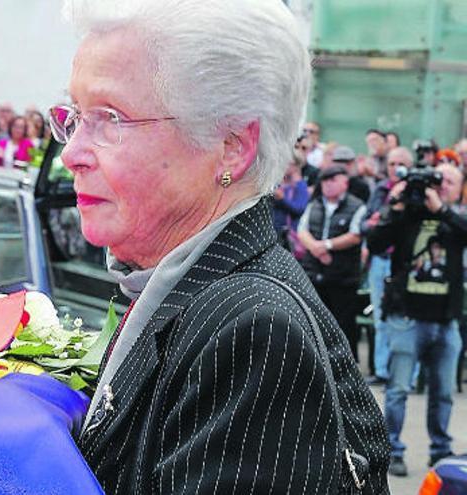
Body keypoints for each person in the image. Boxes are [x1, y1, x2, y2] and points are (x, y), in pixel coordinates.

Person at [55, 0, 389, 492]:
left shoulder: (254, 332)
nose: (71, 153)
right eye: (75, 116)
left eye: (110, 119)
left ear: (232, 146)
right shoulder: (180, 285)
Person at [368, 162, 466, 476]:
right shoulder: (407, 214)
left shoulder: (457, 219)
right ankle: (392, 450)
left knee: (442, 393)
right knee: (397, 390)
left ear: (459, 186)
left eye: (449, 180)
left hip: (445, 321)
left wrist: (441, 210)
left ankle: (440, 451)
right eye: (439, 180)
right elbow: (375, 243)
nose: (442, 185)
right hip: (406, 318)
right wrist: (395, 206)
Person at [297, 166, 367, 362]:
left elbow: (355, 235)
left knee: (343, 324)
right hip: (314, 273)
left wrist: (327, 245)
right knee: (314, 322)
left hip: (343, 276)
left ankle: (346, 364)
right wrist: (316, 249)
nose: (328, 184)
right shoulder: (315, 204)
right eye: (325, 180)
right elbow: (302, 231)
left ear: (345, 182)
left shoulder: (357, 205)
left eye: (333, 179)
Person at [363, 146, 414, 386]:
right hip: (380, 260)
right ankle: (383, 370)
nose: (395, 168)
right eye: (392, 164)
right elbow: (366, 223)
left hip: (405, 263)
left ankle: (410, 377)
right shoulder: (381, 189)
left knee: (409, 318)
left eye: (400, 164)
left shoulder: (415, 191)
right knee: (381, 319)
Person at [272, 150, 310, 252]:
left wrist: (282, 199)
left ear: (296, 166)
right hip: (274, 231)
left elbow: (300, 209)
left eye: (288, 163)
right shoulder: (277, 182)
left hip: (288, 234)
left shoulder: (300, 186)